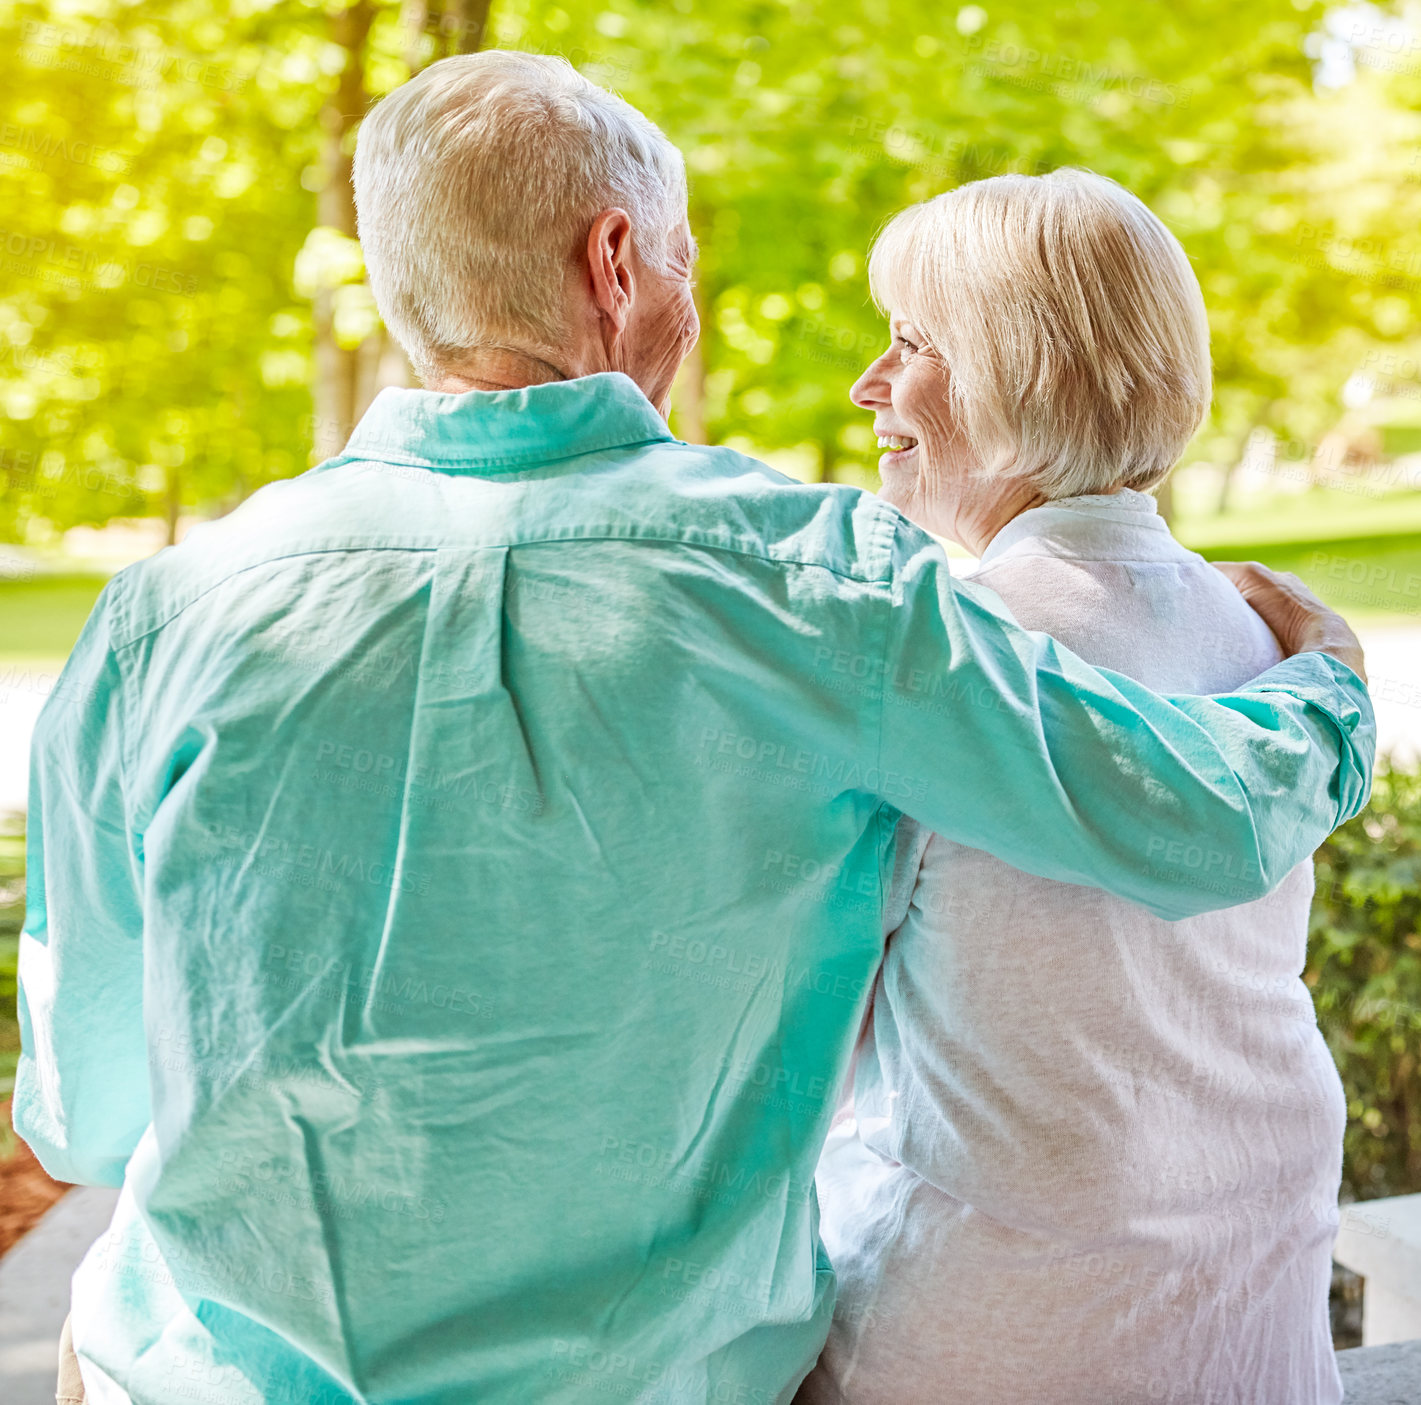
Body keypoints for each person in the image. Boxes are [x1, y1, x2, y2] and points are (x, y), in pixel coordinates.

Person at [15, 55, 1370, 1405]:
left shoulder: (163, 615)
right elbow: (1199, 814)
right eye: (684, 264)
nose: (692, 305)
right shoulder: (816, 584)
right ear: (614, 261)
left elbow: (85, 1111)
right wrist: (1328, 682)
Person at [798, 171, 1353, 1405]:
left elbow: (780, 1057)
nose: (867, 386)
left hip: (988, 1336)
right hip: (1248, 1331)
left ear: (1018, 367)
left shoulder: (938, 655)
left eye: (910, 343)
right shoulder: (1268, 638)